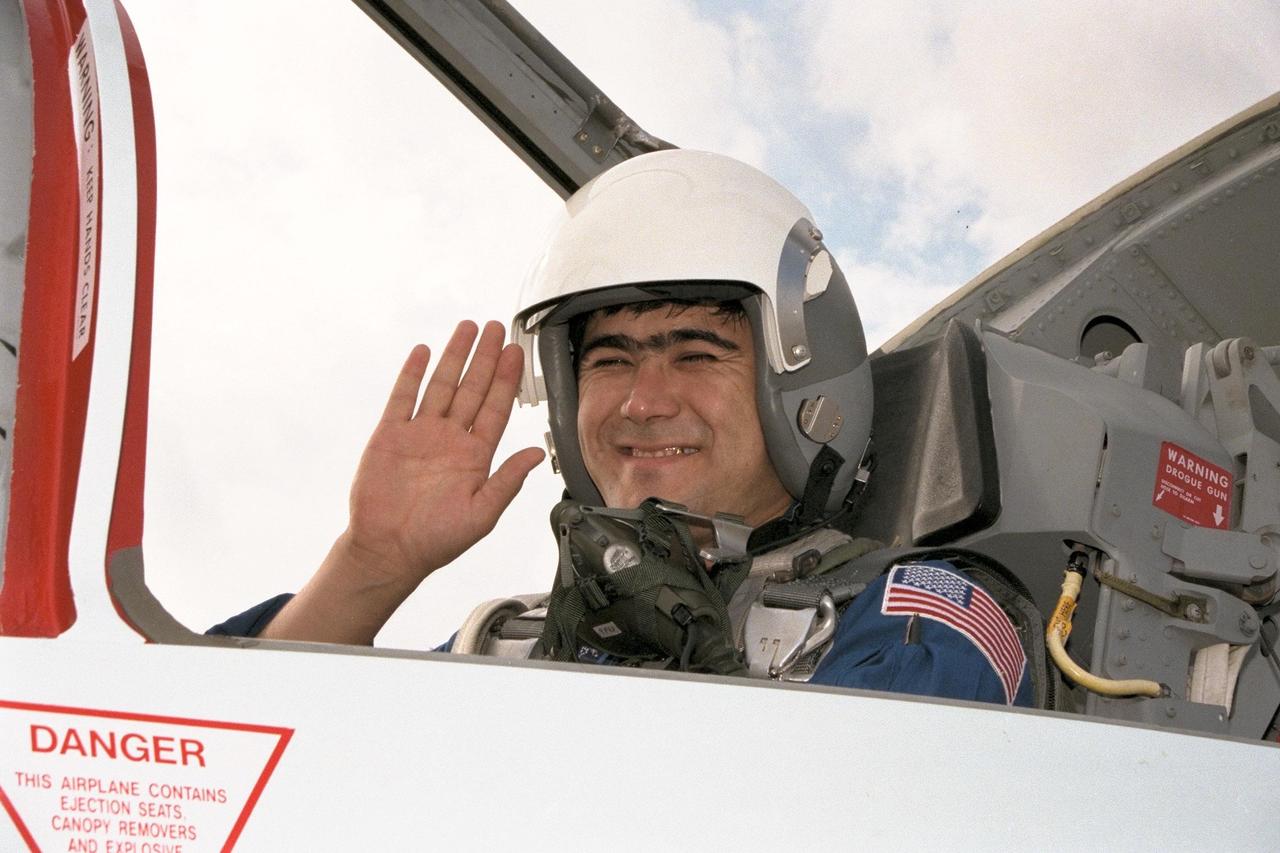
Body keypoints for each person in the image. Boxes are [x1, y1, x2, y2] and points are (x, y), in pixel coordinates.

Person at [212, 150, 1034, 707]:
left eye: (695, 354)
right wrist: (372, 563)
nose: (643, 401)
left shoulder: (919, 623)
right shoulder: (518, 644)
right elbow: (239, 764)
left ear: (805, 385)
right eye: (610, 360)